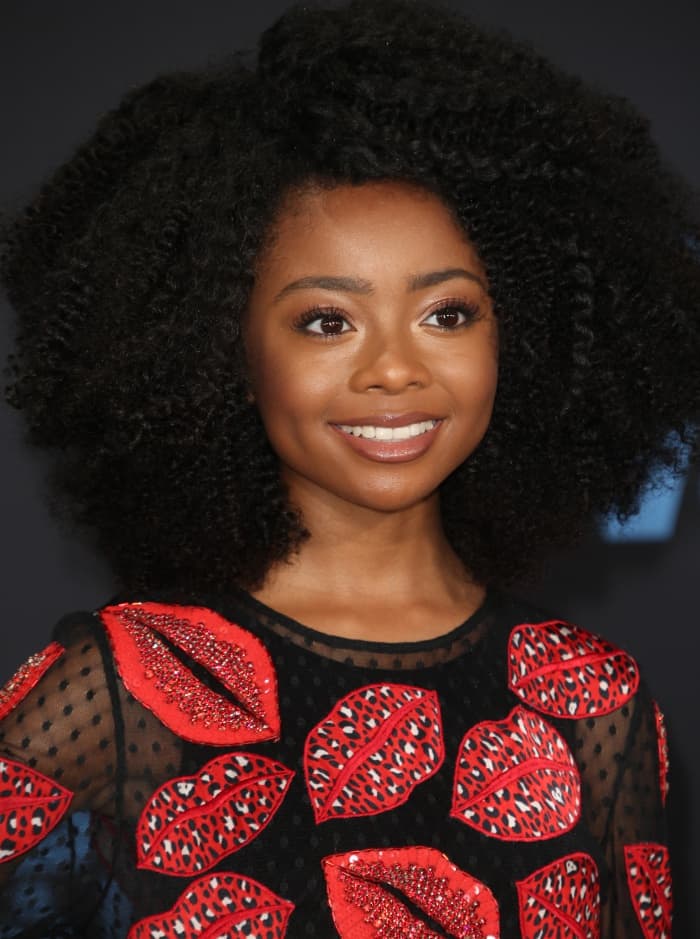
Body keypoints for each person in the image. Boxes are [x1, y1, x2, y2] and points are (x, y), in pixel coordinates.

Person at [0, 1, 698, 936]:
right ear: (227, 355)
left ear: (524, 338)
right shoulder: (118, 690)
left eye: (447, 314)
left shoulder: (595, 699)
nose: (395, 368)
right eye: (326, 321)